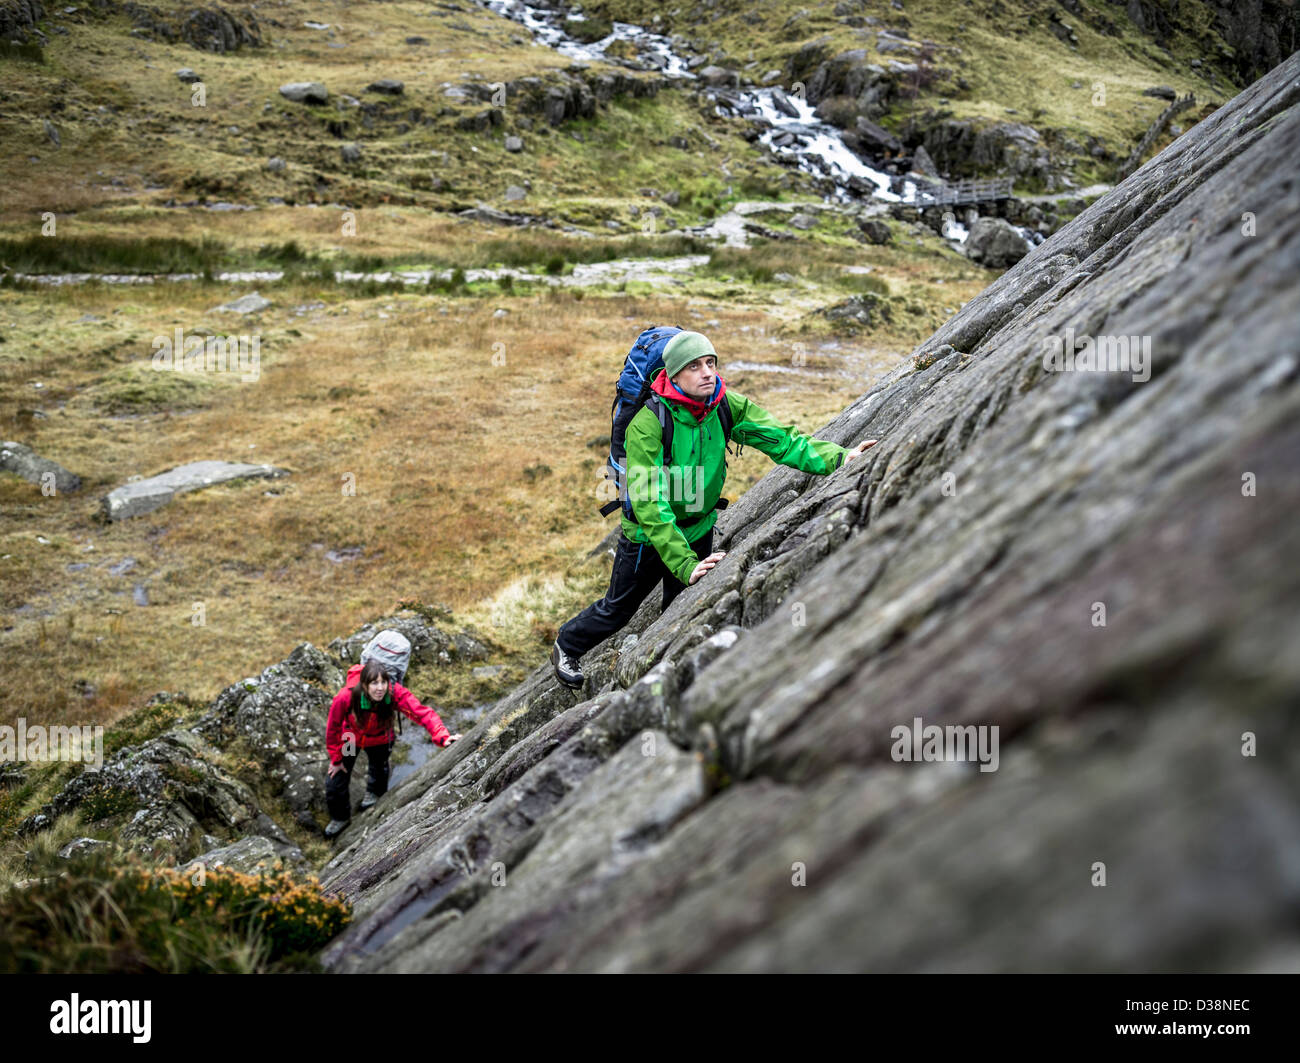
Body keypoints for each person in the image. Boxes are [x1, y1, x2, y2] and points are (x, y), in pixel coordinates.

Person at [551, 330, 877, 689]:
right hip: (648, 537)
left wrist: (841, 458)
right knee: (618, 610)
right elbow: (649, 503)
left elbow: (781, 439)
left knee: (677, 614)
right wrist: (685, 563)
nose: (707, 372)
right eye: (694, 366)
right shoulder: (648, 424)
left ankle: (665, 677)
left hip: (699, 526)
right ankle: (567, 644)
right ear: (673, 376)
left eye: (710, 363)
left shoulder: (723, 404)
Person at [324, 632, 462, 838]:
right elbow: (333, 727)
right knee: (336, 779)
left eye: (384, 683)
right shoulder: (346, 697)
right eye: (374, 684)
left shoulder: (394, 693)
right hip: (350, 738)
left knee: (379, 770)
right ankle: (340, 818)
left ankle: (374, 797)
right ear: (364, 684)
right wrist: (336, 759)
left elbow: (422, 713)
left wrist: (442, 736)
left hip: (380, 738)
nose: (380, 689)